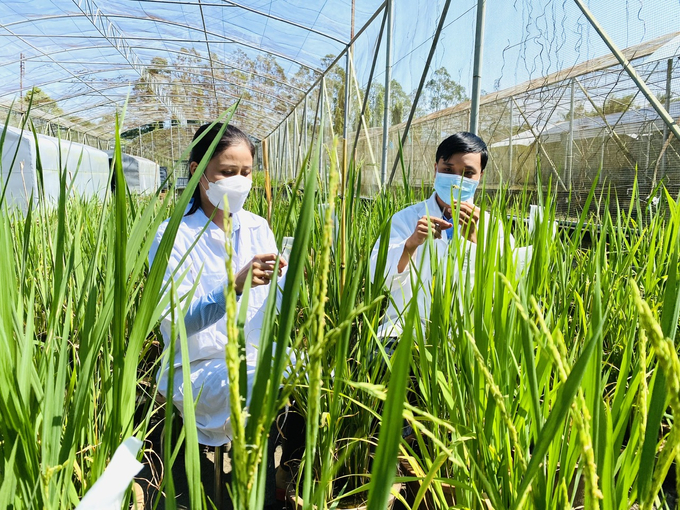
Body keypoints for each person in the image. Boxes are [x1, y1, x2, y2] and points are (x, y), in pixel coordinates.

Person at [148, 122, 286, 448]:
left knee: (317, 378)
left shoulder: (257, 227)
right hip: (197, 366)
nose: (239, 181)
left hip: (255, 356)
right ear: (198, 171)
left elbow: (274, 308)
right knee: (270, 385)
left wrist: (288, 281)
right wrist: (232, 288)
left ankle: (288, 473)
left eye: (246, 172)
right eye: (227, 171)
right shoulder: (173, 236)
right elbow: (178, 321)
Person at [369, 131, 513, 341]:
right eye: (448, 169)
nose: (456, 179)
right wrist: (411, 245)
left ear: (480, 176)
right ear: (436, 169)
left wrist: (476, 241)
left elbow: (505, 285)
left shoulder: (493, 226)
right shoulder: (405, 219)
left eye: (467, 173)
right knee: (382, 366)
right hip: (405, 325)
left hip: (466, 334)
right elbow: (378, 275)